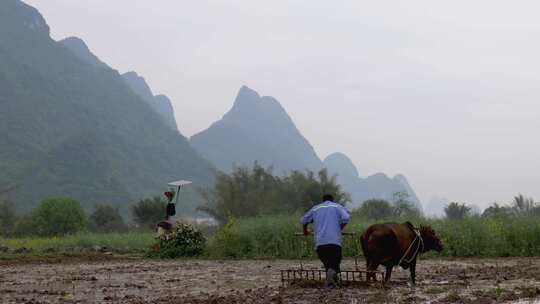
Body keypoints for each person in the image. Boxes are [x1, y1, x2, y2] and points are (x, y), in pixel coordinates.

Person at [301, 194, 350, 288]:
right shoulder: (337, 207)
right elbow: (346, 218)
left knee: (328, 264)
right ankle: (329, 283)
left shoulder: (315, 208)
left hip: (320, 243)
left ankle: (332, 284)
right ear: (332, 200)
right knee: (335, 264)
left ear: (322, 200)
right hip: (334, 241)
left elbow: (304, 220)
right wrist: (339, 228)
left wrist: (305, 231)